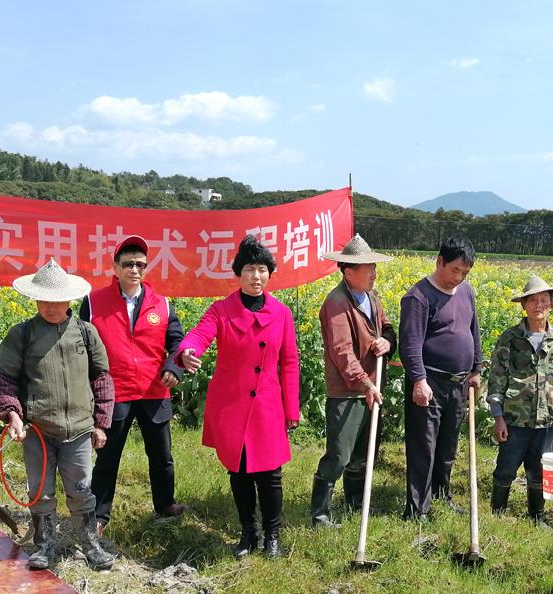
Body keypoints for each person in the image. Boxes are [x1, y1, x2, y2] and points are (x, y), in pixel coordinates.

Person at [0, 260, 116, 572]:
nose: (52, 307)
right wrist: (13, 415)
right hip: (39, 432)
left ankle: (89, 544)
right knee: (40, 492)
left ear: (69, 300)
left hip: (80, 431)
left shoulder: (86, 333)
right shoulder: (23, 334)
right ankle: (45, 546)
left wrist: (101, 423)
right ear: (35, 299)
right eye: (45, 300)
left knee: (81, 490)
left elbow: (101, 377)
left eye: (58, 301)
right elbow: (3, 380)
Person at [177, 235, 300, 558]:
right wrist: (188, 351)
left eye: (262, 269)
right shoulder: (222, 310)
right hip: (232, 405)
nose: (255, 276)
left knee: (271, 475)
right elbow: (199, 334)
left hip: (268, 406)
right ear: (238, 273)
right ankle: (249, 531)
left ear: (269, 273)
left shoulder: (282, 313)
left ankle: (273, 534)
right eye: (249, 269)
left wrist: (292, 409)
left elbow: (289, 361)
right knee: (240, 470)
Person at [80, 235, 186, 535]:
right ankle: (100, 514)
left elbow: (177, 341)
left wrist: (173, 367)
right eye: (128, 264)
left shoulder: (162, 304)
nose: (134, 270)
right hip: (115, 391)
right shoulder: (93, 302)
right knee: (108, 455)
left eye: (140, 264)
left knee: (162, 455)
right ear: (115, 267)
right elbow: (83, 343)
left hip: (154, 389)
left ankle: (165, 504)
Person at [310, 234, 397, 528]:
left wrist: (386, 340)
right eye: (367, 268)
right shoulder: (336, 304)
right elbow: (342, 352)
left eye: (374, 267)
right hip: (348, 392)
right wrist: (364, 383)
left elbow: (385, 326)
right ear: (349, 272)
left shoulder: (371, 297)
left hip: (371, 388)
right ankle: (320, 516)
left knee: (362, 454)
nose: (373, 273)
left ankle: (355, 505)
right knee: (339, 456)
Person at [400, 236, 482, 519]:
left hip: (459, 383)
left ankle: (440, 494)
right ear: (439, 262)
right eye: (454, 270)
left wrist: (476, 370)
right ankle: (416, 509)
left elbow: (473, 331)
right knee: (424, 446)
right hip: (430, 382)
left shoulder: (466, 291)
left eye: (464, 273)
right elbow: (410, 343)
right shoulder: (418, 296)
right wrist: (419, 380)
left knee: (448, 444)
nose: (458, 278)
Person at [486, 275, 553, 523]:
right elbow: (496, 378)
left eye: (544, 300)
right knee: (505, 470)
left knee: (539, 472)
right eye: (533, 300)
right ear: (523, 305)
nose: (539, 305)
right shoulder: (510, 338)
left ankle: (537, 517)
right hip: (515, 420)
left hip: (546, 421)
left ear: (552, 305)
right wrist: (498, 417)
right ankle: (497, 515)